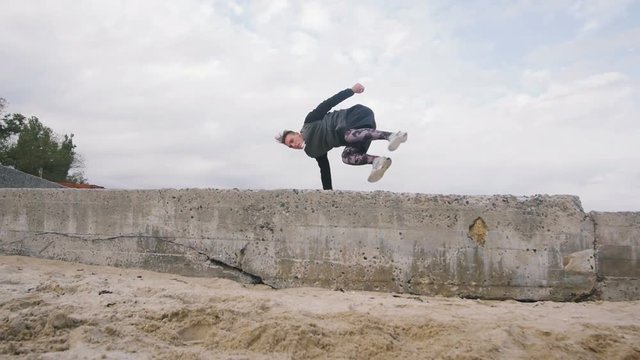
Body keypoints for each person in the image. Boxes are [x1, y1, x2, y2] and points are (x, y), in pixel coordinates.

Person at [276, 83, 407, 190]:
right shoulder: (312, 151)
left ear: (297, 133)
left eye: (292, 140)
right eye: (290, 146)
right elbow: (324, 170)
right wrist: (328, 194)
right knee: (346, 157)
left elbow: (328, 103)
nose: (294, 145)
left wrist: (351, 91)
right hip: (360, 134)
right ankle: (377, 161)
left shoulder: (310, 121)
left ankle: (393, 136)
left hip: (356, 115)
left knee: (348, 136)